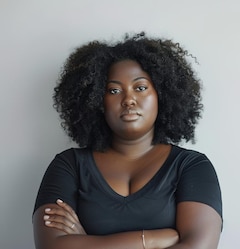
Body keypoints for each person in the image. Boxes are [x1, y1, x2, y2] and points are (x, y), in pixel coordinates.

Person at [32, 32, 222, 249]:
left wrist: (86, 242)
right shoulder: (68, 166)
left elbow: (198, 246)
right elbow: (52, 247)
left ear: (161, 94)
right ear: (96, 100)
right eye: (113, 90)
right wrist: (150, 240)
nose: (128, 100)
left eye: (140, 88)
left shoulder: (191, 166)